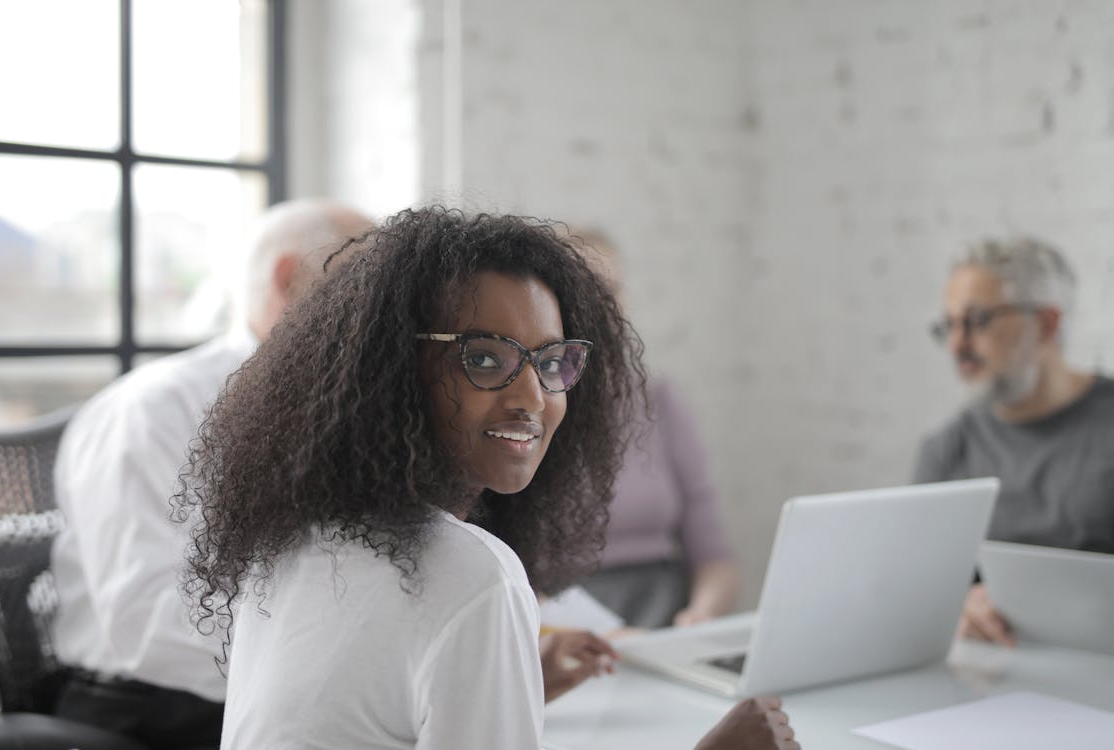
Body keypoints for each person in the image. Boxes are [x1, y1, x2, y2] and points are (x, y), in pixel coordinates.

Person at [175, 207, 800, 749]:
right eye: (483, 359)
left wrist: (514, 685)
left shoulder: (291, 539)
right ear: (392, 372)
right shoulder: (472, 575)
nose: (533, 396)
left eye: (552, 362)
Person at [50, 198, 374, 748]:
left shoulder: (349, 409)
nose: (388, 308)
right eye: (366, 279)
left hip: (278, 687)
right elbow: (147, 622)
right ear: (289, 277)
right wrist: (351, 668)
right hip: (152, 711)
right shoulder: (155, 412)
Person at [914, 236, 1114, 646]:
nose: (957, 345)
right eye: (949, 325)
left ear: (1045, 324)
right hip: (990, 678)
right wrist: (960, 606)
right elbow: (923, 590)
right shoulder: (947, 449)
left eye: (976, 320)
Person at [576, 231, 738, 628]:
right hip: (569, 623)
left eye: (612, 289)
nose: (602, 305)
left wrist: (701, 614)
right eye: (583, 289)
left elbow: (716, 558)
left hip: (665, 613)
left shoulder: (659, 399)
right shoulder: (529, 409)